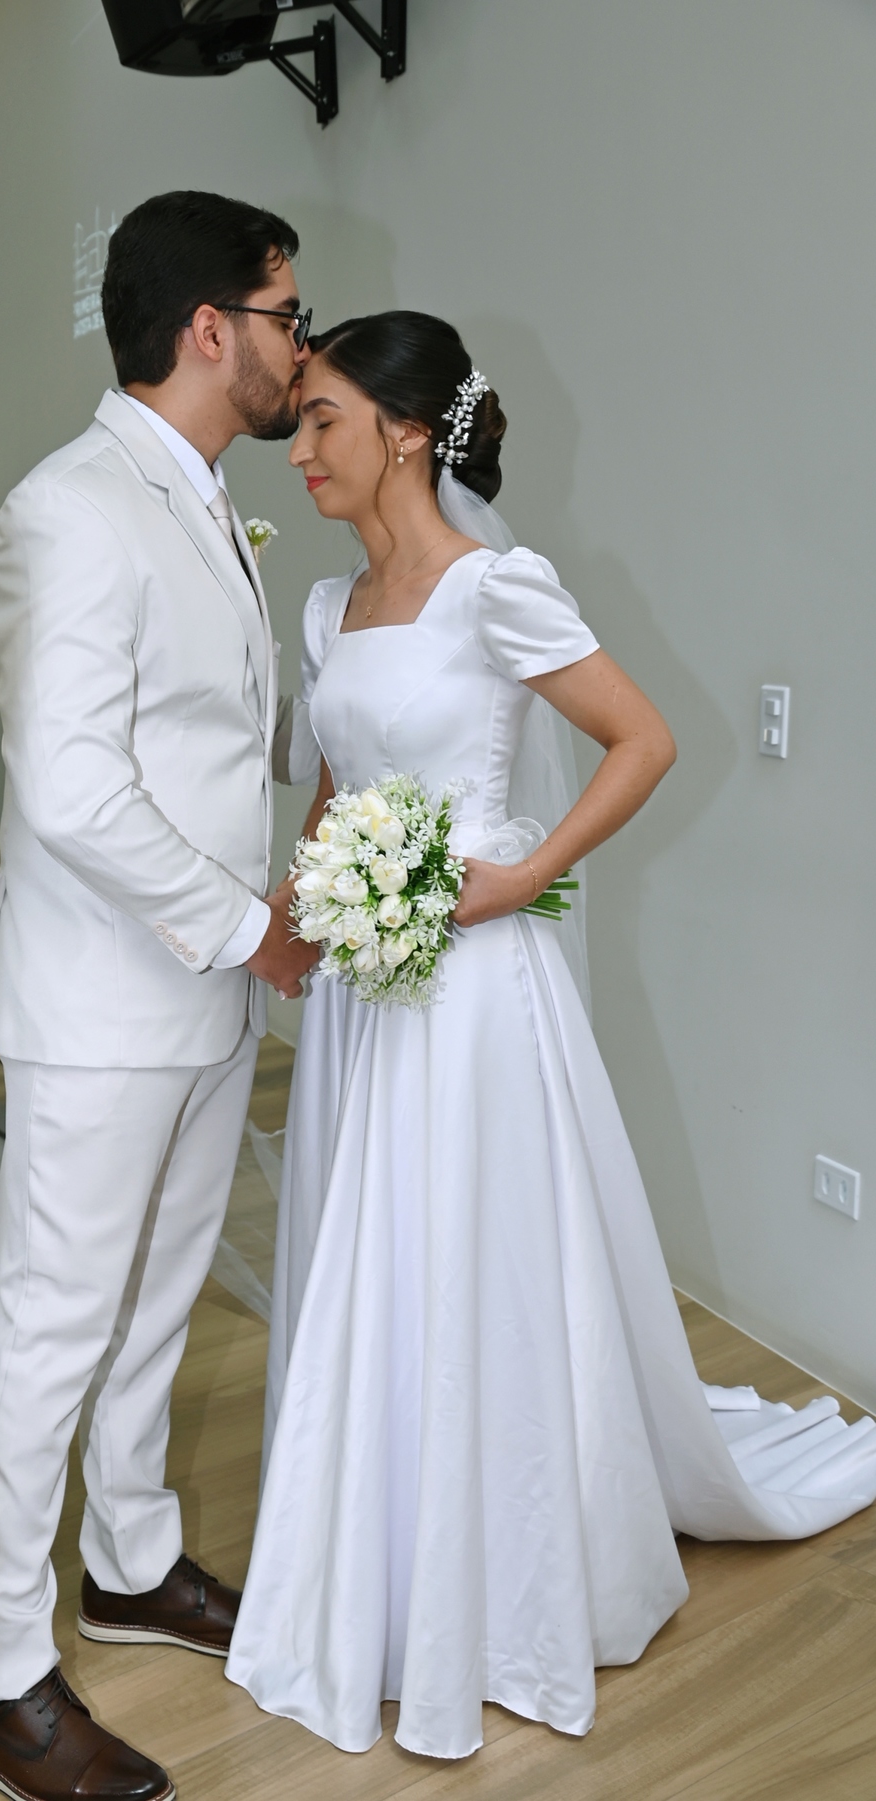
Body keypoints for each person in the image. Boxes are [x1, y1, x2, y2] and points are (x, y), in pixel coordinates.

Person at [224, 312, 876, 1760]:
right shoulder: (329, 609)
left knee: (473, 1256)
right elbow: (335, 788)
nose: (300, 447)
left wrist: (523, 877)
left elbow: (645, 740)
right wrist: (293, 913)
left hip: (473, 993)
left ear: (406, 431)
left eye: (323, 418)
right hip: (366, 994)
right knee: (365, 1251)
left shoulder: (494, 590)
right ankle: (371, 1549)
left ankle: (501, 1572)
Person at [0, 191, 318, 1801]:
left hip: (202, 992)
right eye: (288, 313)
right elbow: (74, 785)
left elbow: (204, 736)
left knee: (160, 1299)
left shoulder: (204, 500)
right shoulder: (73, 507)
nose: (302, 342)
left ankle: (132, 1560)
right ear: (211, 329)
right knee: (51, 1324)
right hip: (106, 997)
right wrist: (246, 931)